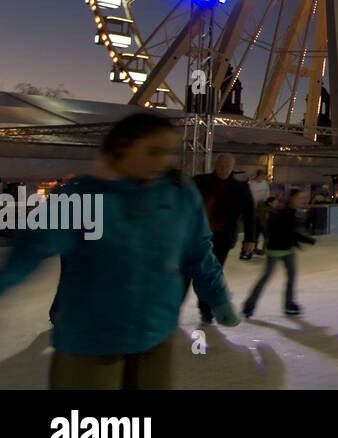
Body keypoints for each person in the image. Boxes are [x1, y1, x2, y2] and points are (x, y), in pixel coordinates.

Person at [0, 113, 238, 389]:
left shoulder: (179, 194)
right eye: (153, 151)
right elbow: (32, 248)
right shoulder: (85, 195)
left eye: (168, 152)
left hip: (155, 333)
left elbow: (198, 252)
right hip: (92, 339)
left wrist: (217, 297)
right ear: (122, 148)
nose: (163, 161)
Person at [189, 153, 255, 321]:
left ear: (232, 168)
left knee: (211, 274)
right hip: (195, 235)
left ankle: (205, 308)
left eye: (227, 166)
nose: (223, 169)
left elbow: (249, 215)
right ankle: (174, 309)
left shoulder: (240, 188)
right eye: (221, 165)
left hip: (222, 238)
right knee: (186, 273)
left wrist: (250, 239)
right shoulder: (199, 182)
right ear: (215, 165)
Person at [243, 189, 315, 317]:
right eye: (299, 198)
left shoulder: (294, 212)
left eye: (303, 198)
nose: (302, 200)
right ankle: (249, 305)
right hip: (275, 250)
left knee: (291, 277)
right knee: (266, 277)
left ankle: (289, 304)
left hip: (288, 250)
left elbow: (291, 233)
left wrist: (297, 242)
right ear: (292, 198)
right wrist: (307, 240)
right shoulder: (283, 212)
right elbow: (288, 232)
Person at [248, 168, 271, 255]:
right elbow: (248, 195)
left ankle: (265, 248)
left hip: (262, 209)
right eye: (262, 175)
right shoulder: (251, 184)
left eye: (264, 176)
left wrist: (266, 206)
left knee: (264, 229)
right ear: (258, 175)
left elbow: (267, 196)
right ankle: (253, 247)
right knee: (255, 230)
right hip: (253, 208)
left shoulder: (265, 184)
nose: (263, 177)